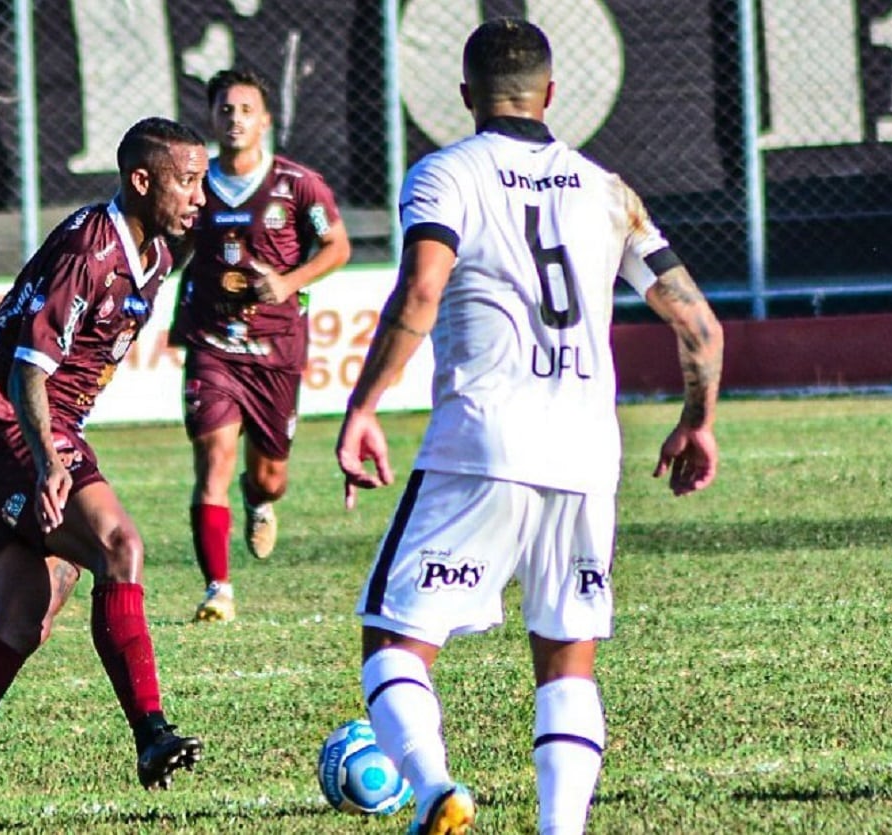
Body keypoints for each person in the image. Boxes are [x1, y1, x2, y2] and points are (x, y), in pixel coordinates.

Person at [335, 18, 724, 835]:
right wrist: (697, 423)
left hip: (482, 440)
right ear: (550, 95)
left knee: (394, 640)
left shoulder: (445, 174)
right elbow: (699, 328)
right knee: (565, 651)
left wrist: (363, 406)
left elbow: (418, 293)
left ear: (467, 95)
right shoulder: (607, 189)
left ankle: (436, 785)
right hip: (586, 452)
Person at [0, 117, 210, 829]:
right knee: (120, 544)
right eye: (187, 179)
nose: (199, 195)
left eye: (203, 179)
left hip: (26, 435)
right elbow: (30, 369)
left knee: (22, 618)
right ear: (141, 180)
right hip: (15, 431)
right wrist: (51, 462)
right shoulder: (89, 250)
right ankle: (152, 734)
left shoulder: (155, 253)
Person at [170, 68, 351, 623]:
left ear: (265, 120)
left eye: (246, 109)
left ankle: (261, 500)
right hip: (213, 343)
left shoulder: (299, 184)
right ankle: (217, 589)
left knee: (271, 474)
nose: (235, 119)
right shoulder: (194, 183)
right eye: (225, 109)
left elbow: (336, 246)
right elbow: (172, 245)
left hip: (275, 348)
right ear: (212, 118)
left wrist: (290, 281)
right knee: (213, 459)